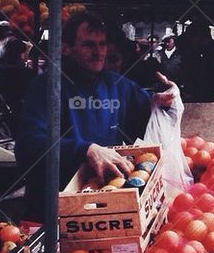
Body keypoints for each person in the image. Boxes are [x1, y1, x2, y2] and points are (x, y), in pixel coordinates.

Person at [15, 12, 178, 220]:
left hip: (105, 205)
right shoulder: (46, 86)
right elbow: (28, 144)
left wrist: (165, 100)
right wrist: (86, 150)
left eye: (102, 44)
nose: (98, 51)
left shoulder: (117, 85)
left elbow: (148, 108)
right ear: (66, 48)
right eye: (88, 45)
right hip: (55, 207)